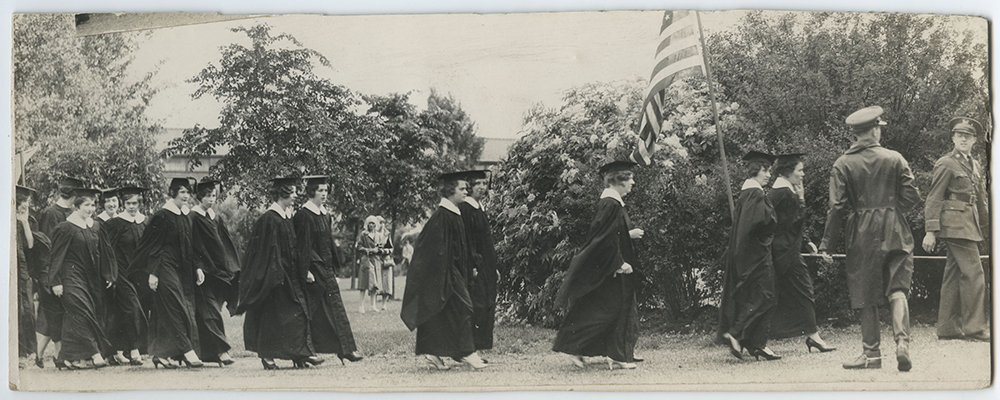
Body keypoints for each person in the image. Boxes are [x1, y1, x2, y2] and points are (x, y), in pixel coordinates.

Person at [819, 106, 921, 372]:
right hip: (895, 226)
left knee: (865, 292)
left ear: (855, 134)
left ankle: (872, 354)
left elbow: (837, 207)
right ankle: (901, 343)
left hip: (861, 230)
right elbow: (912, 197)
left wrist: (827, 243)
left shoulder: (842, 164)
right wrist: (891, 208)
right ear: (875, 130)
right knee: (898, 288)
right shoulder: (895, 158)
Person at [553, 160, 642, 370]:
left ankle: (613, 353)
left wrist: (628, 238)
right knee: (607, 311)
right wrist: (619, 264)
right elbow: (604, 239)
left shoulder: (613, 203)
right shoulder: (610, 204)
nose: (633, 183)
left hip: (609, 266)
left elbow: (611, 234)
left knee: (609, 309)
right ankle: (591, 350)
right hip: (610, 268)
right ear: (618, 180)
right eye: (630, 178)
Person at [400, 172, 487, 370]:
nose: (466, 191)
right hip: (445, 272)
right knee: (463, 306)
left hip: (455, 271)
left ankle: (432, 352)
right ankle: (467, 352)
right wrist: (447, 273)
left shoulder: (454, 213)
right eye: (462, 188)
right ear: (450, 191)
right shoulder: (442, 216)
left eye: (466, 188)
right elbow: (432, 250)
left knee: (443, 312)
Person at [237, 177, 323, 370]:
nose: (295, 196)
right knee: (274, 317)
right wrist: (275, 275)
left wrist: (303, 271)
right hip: (275, 277)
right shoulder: (269, 219)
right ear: (283, 194)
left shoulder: (286, 217)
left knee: (298, 313)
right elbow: (264, 253)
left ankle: (299, 354)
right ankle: (268, 356)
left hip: (290, 275)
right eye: (292, 192)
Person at [922, 117, 990, 342]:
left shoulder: (976, 164)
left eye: (968, 136)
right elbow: (934, 197)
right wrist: (930, 230)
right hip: (954, 225)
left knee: (954, 273)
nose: (963, 139)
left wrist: (987, 225)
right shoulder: (946, 163)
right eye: (959, 135)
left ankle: (947, 327)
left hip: (969, 225)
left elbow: (979, 199)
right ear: (952, 138)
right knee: (974, 274)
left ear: (974, 141)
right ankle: (975, 328)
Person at [127, 177, 205, 369]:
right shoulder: (162, 215)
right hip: (164, 266)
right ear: (173, 194)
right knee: (176, 305)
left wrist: (198, 267)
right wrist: (153, 273)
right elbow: (152, 246)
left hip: (183, 268)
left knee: (169, 310)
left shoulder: (187, 216)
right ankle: (187, 351)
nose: (186, 196)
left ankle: (161, 355)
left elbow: (193, 245)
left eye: (188, 192)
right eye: (182, 192)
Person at [767, 153, 835, 352]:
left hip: (783, 249)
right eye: (800, 170)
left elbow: (789, 225)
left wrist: (806, 243)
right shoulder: (785, 194)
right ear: (788, 172)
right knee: (804, 291)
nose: (803, 174)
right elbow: (794, 223)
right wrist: (802, 199)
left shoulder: (779, 191)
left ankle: (751, 338)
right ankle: (813, 337)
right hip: (786, 252)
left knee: (781, 294)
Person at [294, 175, 363, 364]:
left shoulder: (325, 215)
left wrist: (334, 268)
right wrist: (305, 270)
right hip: (311, 270)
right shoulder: (303, 215)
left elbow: (329, 244)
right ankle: (303, 354)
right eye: (320, 190)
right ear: (311, 192)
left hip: (326, 268)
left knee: (336, 309)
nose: (324, 194)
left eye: (326, 190)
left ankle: (346, 349)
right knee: (311, 311)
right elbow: (301, 246)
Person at [718, 152, 780, 361]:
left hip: (747, 254)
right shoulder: (755, 194)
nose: (769, 175)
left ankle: (756, 344)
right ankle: (736, 334)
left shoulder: (748, 193)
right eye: (766, 170)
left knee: (756, 297)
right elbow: (759, 224)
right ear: (756, 170)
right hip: (755, 255)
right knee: (765, 297)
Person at [47, 187, 115, 370]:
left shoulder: (95, 226)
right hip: (70, 277)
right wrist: (55, 281)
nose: (91, 209)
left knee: (76, 317)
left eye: (93, 205)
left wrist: (108, 274)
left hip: (90, 279)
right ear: (77, 206)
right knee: (82, 311)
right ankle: (95, 353)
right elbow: (56, 257)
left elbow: (104, 253)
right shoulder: (66, 227)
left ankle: (67, 358)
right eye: (86, 205)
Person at [189, 179, 241, 366]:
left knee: (206, 313)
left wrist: (231, 268)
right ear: (199, 196)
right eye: (207, 195)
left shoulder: (215, 217)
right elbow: (191, 246)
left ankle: (206, 353)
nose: (211, 199)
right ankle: (221, 351)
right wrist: (197, 267)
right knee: (210, 311)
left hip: (217, 272)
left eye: (213, 195)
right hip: (201, 274)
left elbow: (224, 246)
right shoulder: (192, 217)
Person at [36, 176, 84, 368]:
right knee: (55, 314)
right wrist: (52, 277)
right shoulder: (50, 213)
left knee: (56, 315)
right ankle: (57, 356)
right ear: (73, 196)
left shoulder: (72, 213)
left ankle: (42, 355)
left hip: (65, 271)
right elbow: (47, 248)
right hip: (51, 271)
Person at [101, 186, 149, 366]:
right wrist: (109, 274)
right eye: (128, 203)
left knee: (127, 312)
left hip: (140, 274)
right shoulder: (115, 224)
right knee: (133, 308)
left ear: (139, 203)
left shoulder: (145, 222)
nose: (131, 207)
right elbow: (107, 251)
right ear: (123, 204)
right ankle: (135, 350)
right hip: (121, 273)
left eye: (134, 203)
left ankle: (120, 351)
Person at [457, 170, 500, 354]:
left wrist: (494, 267)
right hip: (476, 266)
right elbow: (468, 240)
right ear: (470, 186)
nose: (482, 187)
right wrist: (474, 264)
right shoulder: (467, 209)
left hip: (487, 266)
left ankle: (480, 346)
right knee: (478, 305)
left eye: (484, 183)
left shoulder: (479, 207)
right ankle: (470, 347)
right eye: (478, 184)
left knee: (487, 304)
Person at [15, 185, 51, 366]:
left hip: (23, 269)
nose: (26, 206)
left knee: (27, 311)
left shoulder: (29, 219)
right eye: (24, 202)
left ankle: (24, 352)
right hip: (9, 267)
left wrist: (24, 222)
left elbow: (30, 245)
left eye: (27, 203)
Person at [356, 216, 382, 313]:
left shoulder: (378, 235)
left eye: (373, 223)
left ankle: (373, 305)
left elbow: (381, 246)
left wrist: (378, 249)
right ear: (367, 224)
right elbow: (359, 246)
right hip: (366, 260)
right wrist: (367, 250)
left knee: (375, 284)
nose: (372, 225)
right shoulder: (363, 234)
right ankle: (361, 305)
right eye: (370, 223)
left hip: (375, 260)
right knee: (364, 283)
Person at [375, 215, 395, 308]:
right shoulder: (372, 234)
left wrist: (386, 251)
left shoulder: (387, 234)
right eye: (380, 223)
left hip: (386, 260)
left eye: (383, 222)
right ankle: (374, 304)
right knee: (376, 282)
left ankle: (384, 304)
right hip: (376, 259)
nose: (382, 225)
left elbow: (391, 248)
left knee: (386, 282)